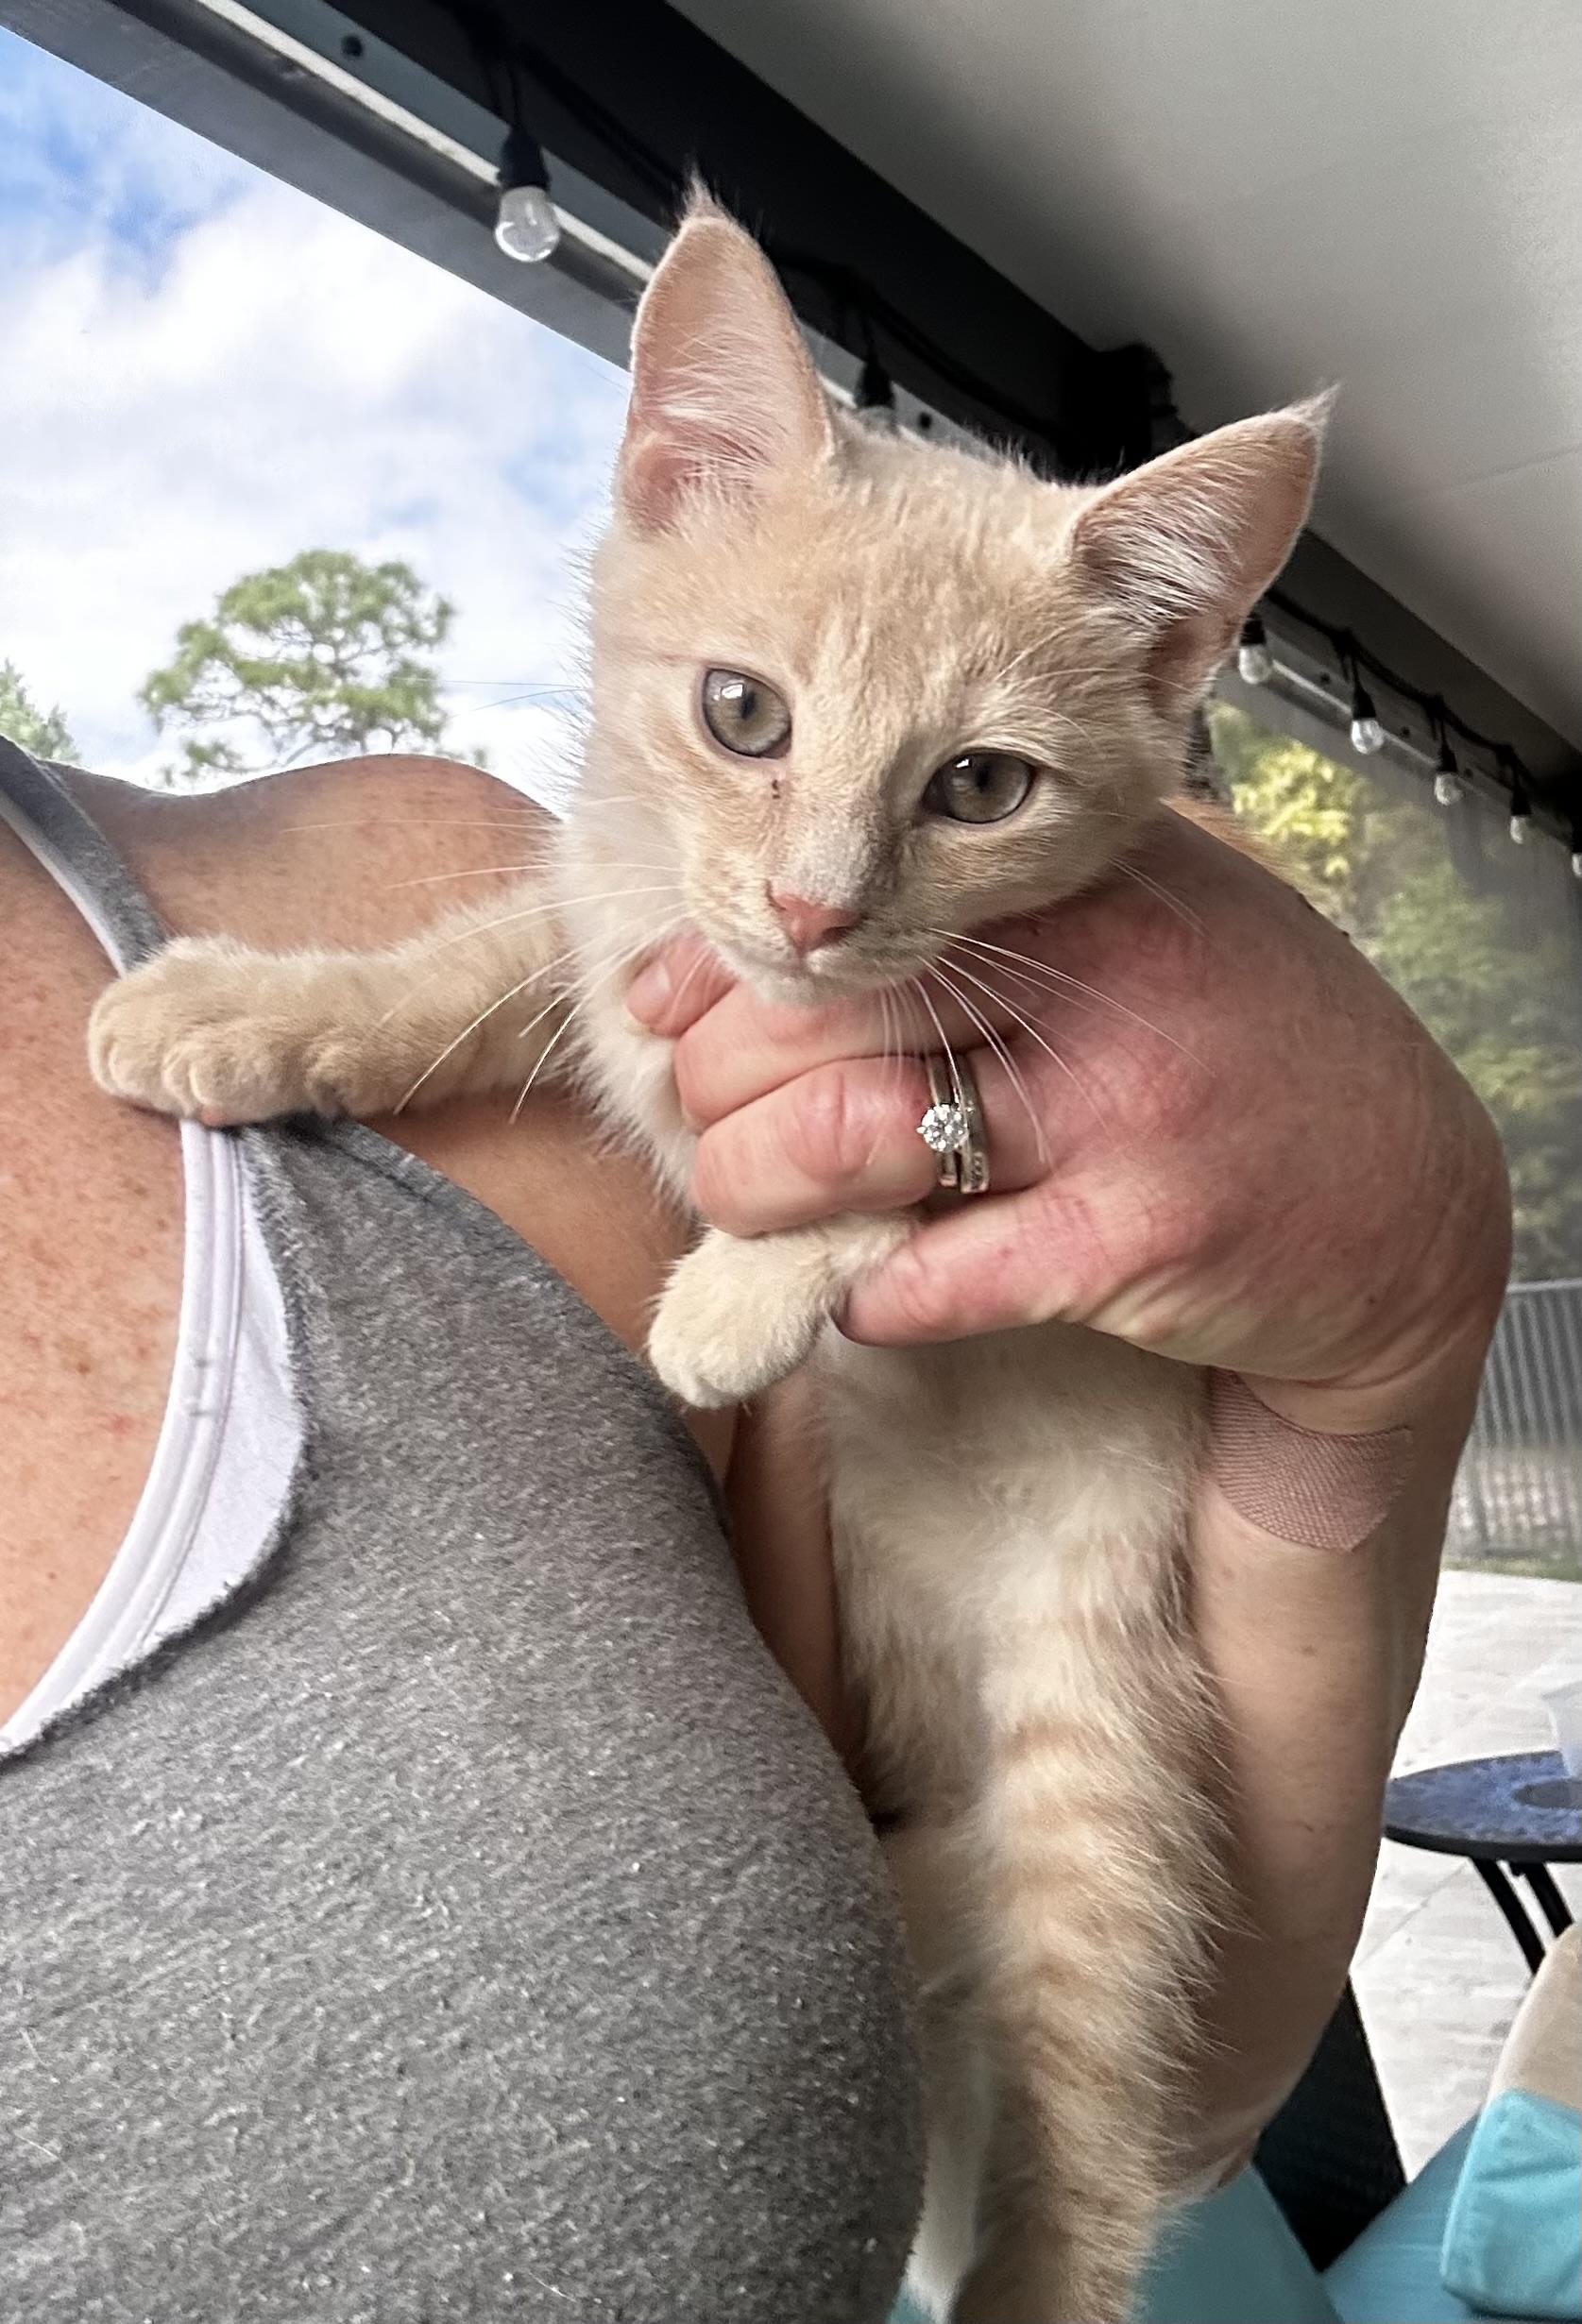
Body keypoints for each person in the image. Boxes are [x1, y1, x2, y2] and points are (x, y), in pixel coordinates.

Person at [1, 734, 1510, 2320]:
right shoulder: (531, 897)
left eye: (971, 787)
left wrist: (1385, 1331)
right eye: (743, 715)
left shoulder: (385, 849)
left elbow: (1196, 2074)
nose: (813, 879)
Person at [0, 738, 920, 2324]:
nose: (816, 879)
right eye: (753, 724)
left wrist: (1358, 1375)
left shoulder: (439, 876)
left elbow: (1084, 2004)